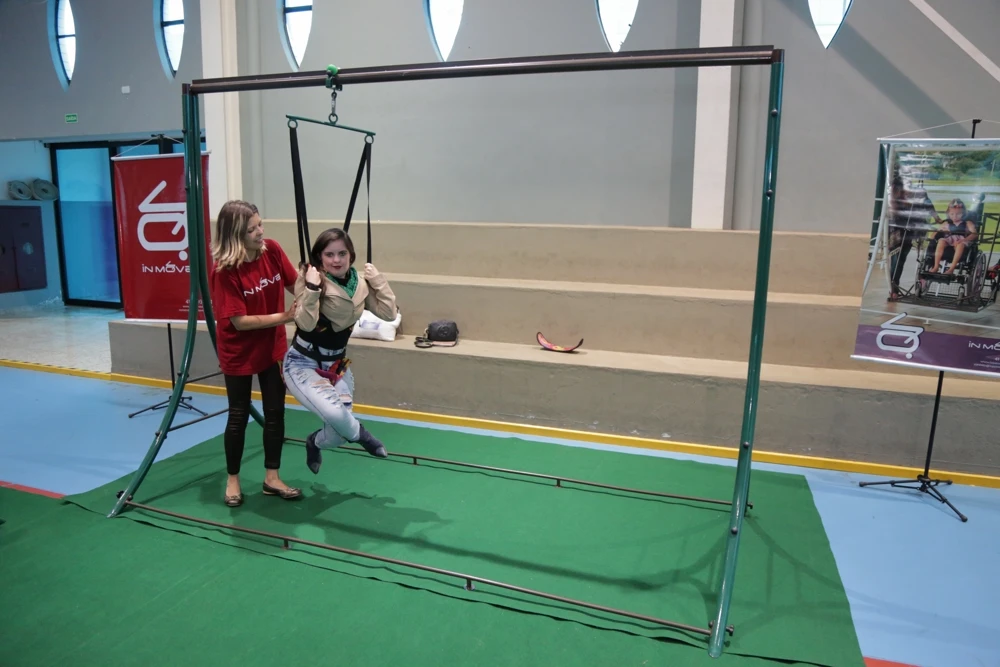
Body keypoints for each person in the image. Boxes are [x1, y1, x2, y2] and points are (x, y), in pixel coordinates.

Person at [282, 228, 398, 474]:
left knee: (337, 434)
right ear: (320, 257)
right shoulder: (311, 280)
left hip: (336, 365)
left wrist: (378, 281)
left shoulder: (360, 284)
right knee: (336, 415)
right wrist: (312, 289)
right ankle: (363, 436)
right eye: (329, 254)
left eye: (342, 254)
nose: (336, 260)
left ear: (351, 255)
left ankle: (314, 442)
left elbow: (389, 314)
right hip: (303, 363)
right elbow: (305, 324)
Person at [209, 200, 302, 507]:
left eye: (260, 224)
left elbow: (295, 285)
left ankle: (272, 478)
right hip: (239, 349)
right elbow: (240, 321)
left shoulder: (271, 250)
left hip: (271, 345)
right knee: (238, 414)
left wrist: (318, 290)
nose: (260, 232)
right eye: (252, 229)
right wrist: (285, 317)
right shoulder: (224, 272)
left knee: (275, 411)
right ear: (235, 235)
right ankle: (232, 479)